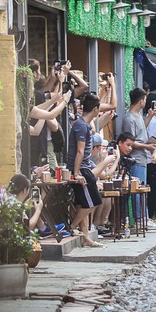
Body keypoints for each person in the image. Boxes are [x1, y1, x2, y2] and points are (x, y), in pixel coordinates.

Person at [66, 93, 105, 247]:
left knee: (82, 203)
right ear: (95, 109)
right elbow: (80, 151)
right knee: (92, 201)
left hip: (82, 167)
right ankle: (71, 227)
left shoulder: (83, 124)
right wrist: (76, 174)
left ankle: (86, 237)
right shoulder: (81, 125)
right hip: (82, 168)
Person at [121, 87, 156, 219]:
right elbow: (131, 142)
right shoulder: (129, 118)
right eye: (145, 99)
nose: (145, 102)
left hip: (142, 157)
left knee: (142, 189)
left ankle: (144, 217)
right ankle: (140, 218)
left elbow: (141, 131)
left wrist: (149, 117)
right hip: (135, 158)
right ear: (141, 101)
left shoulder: (138, 116)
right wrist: (147, 147)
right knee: (138, 189)